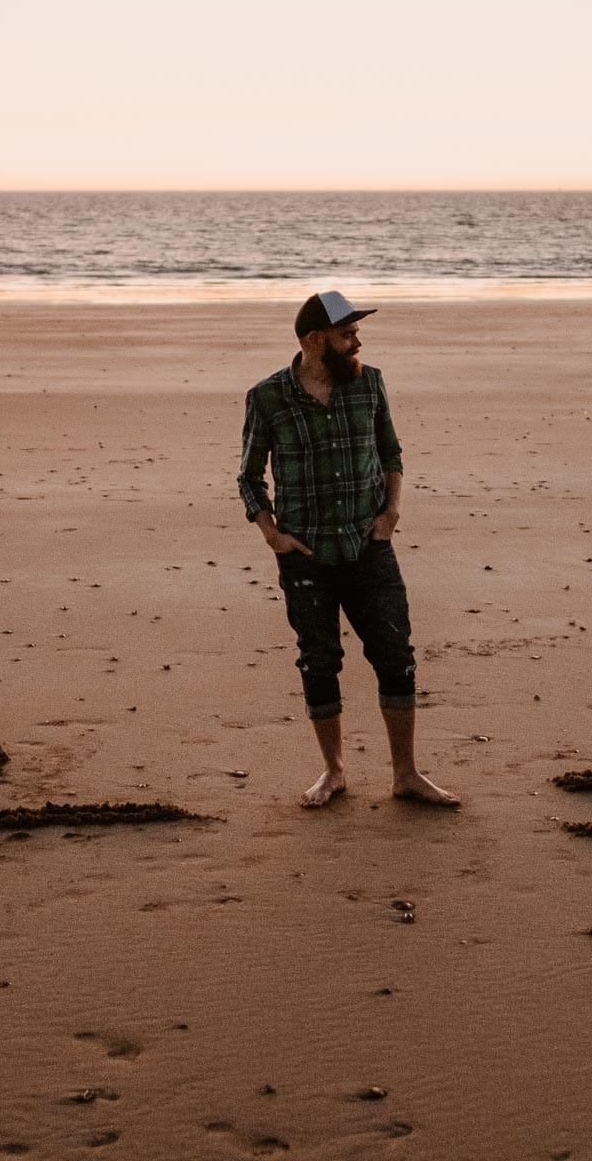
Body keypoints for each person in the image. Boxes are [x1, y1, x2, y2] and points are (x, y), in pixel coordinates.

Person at [239, 292, 459, 809]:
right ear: (316, 340)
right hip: (305, 555)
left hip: (369, 546)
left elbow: (391, 452)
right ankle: (334, 772)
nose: (357, 341)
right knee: (319, 661)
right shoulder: (268, 397)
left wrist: (392, 512)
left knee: (396, 657)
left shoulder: (370, 384)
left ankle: (406, 774)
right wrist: (272, 535)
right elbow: (250, 477)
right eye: (347, 333)